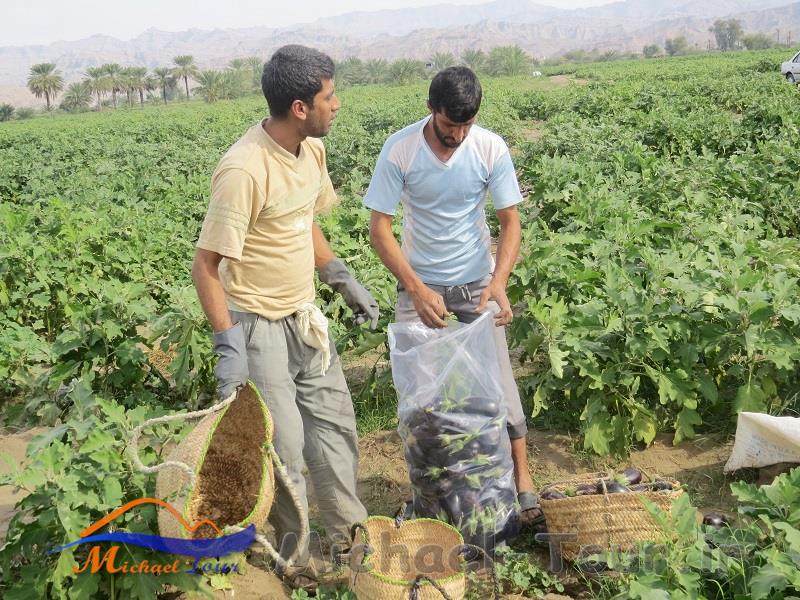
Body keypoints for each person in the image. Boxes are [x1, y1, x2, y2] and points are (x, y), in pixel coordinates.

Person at [191, 44, 378, 593]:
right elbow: (206, 266)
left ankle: (349, 533)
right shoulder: (244, 170)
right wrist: (229, 347)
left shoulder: (311, 153)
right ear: (300, 107)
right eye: (329, 96)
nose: (337, 105)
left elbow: (305, 225)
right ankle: (291, 555)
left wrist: (339, 276)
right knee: (285, 447)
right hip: (257, 327)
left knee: (336, 428)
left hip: (304, 317)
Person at [364, 66, 540, 526]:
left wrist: (498, 282)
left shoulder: (489, 147)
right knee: (420, 399)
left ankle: (522, 484)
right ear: (431, 110)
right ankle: (427, 494)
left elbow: (510, 222)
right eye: (448, 126)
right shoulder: (400, 149)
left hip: (477, 284)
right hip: (419, 286)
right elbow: (378, 228)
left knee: (501, 385)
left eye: (466, 125)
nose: (458, 135)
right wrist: (416, 288)